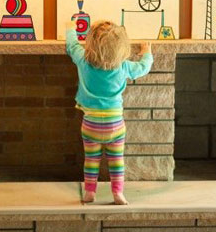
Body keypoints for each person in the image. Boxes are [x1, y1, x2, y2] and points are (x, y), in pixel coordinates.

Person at [66, 20, 153, 205]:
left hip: (90, 126)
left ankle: (90, 192)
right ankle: (118, 193)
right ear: (121, 48)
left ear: (90, 43)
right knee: (116, 162)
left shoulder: (83, 60)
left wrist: (71, 29)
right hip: (116, 126)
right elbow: (144, 68)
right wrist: (147, 53)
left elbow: (72, 46)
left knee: (91, 160)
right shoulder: (122, 66)